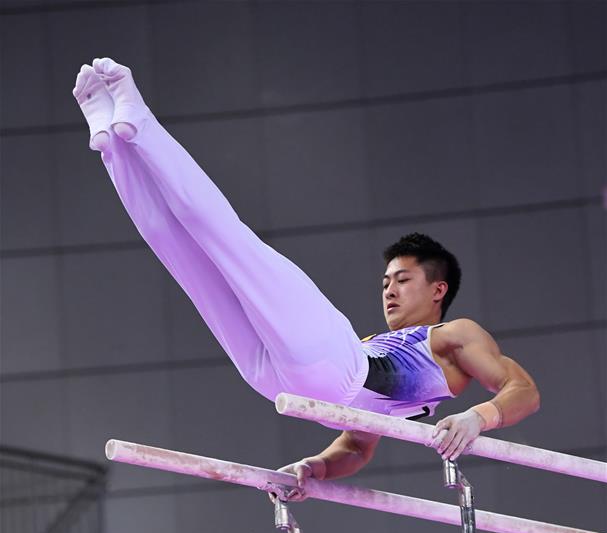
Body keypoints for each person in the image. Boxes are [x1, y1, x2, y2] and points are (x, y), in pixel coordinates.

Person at [73, 59, 540, 495]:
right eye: (384, 282)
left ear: (439, 290)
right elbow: (357, 446)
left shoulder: (455, 336)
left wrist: (479, 418)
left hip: (303, 378)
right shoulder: (374, 343)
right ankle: (117, 142)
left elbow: (523, 390)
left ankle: (139, 128)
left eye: (402, 279)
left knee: (221, 243)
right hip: (305, 379)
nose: (389, 290)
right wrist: (315, 468)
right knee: (186, 250)